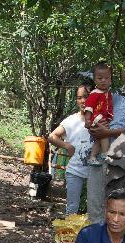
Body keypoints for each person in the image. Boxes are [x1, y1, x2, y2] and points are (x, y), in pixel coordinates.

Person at [85, 64, 125, 223]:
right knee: (95, 205)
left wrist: (108, 133)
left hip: (122, 160)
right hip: (99, 156)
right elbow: (92, 117)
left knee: (120, 208)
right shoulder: (110, 94)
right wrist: (94, 128)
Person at [48, 84, 93, 214]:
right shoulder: (71, 120)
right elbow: (52, 136)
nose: (83, 101)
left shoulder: (100, 119)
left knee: (94, 208)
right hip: (74, 170)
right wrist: (67, 145)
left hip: (95, 171)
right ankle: (70, 234)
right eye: (79, 98)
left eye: (86, 97)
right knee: (72, 208)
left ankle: (91, 234)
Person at [84, 63, 115, 165]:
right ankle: (105, 154)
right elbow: (89, 107)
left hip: (103, 119)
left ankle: (92, 157)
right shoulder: (95, 93)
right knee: (104, 135)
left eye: (106, 78)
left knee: (99, 139)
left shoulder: (108, 93)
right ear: (95, 80)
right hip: (97, 119)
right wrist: (87, 119)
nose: (103, 80)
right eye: (100, 78)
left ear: (110, 79)